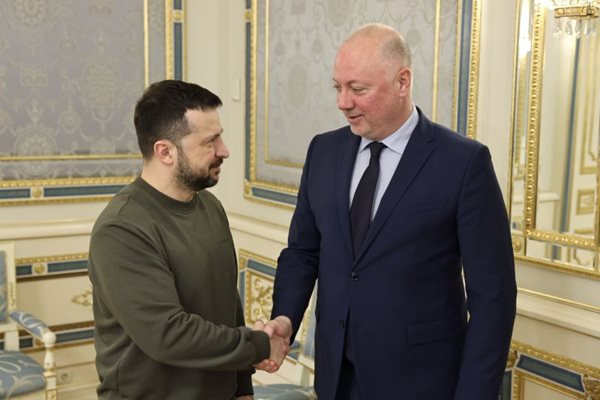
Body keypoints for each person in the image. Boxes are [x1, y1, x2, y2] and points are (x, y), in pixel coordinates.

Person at [264, 23, 517, 399]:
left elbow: (493, 297)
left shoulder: (464, 162)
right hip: (336, 378)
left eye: (358, 89)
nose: (342, 102)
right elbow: (303, 251)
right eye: (338, 87)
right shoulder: (323, 151)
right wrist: (285, 317)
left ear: (402, 81)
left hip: (423, 383)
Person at [88, 80, 287, 400]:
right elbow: (168, 335)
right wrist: (259, 344)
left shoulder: (211, 207)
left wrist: (242, 388)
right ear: (165, 151)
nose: (224, 150)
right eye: (210, 141)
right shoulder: (121, 229)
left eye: (220, 135)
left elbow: (227, 306)